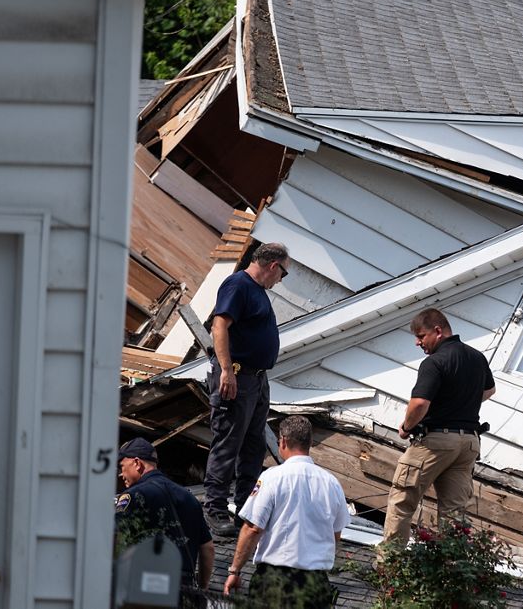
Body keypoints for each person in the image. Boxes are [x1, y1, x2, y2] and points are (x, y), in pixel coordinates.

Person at [382, 308, 496, 543]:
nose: (417, 342)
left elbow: (420, 403)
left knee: (402, 501)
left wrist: (406, 426)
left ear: (438, 331)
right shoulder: (477, 357)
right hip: (469, 445)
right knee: (454, 515)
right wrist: (459, 402)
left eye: (421, 336)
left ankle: (389, 567)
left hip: (436, 442)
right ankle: (449, 573)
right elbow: (489, 391)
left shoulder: (434, 362)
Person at [203, 242, 290, 536]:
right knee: (228, 441)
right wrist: (227, 370)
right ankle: (214, 508)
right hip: (237, 376)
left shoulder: (257, 291)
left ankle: (243, 508)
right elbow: (219, 326)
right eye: (284, 273)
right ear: (273, 266)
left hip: (256, 378)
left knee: (253, 444)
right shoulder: (238, 285)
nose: (281, 280)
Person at [223, 415, 349, 608]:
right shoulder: (332, 483)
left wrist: (235, 571)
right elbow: (336, 534)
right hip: (316, 584)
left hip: (276, 581)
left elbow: (253, 529)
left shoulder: (272, 477)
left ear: (282, 441)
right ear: (310, 443)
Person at [115, 438, 215, 606]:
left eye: (122, 467)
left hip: (146, 590)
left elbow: (116, 540)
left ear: (137, 463)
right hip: (185, 593)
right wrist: (202, 588)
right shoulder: (190, 498)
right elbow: (208, 549)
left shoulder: (134, 496)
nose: (120, 474)